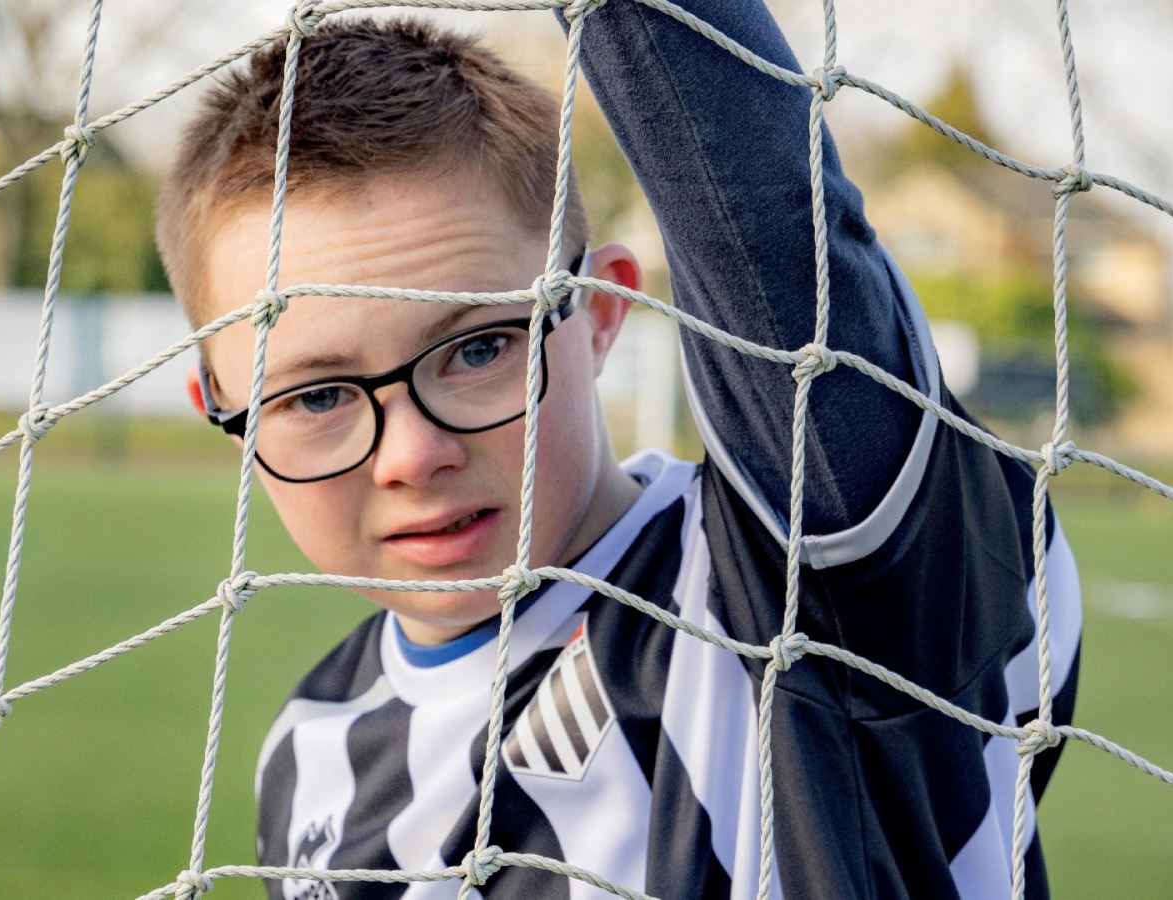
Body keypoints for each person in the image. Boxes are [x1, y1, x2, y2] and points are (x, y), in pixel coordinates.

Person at [155, 0, 1083, 896]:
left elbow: (763, 218)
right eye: (315, 396)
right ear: (225, 408)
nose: (410, 454)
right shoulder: (308, 750)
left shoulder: (794, 581)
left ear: (601, 313)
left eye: (480, 348)